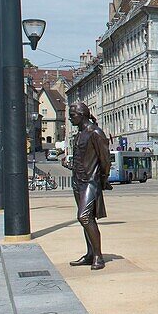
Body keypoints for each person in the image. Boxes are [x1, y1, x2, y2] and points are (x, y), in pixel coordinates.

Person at [62, 102, 112, 271]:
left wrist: (103, 179)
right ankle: (90, 254)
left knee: (83, 216)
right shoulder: (79, 134)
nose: (70, 118)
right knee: (87, 219)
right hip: (77, 181)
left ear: (82, 114)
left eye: (73, 115)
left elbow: (105, 160)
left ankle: (98, 256)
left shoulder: (95, 133)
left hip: (91, 181)